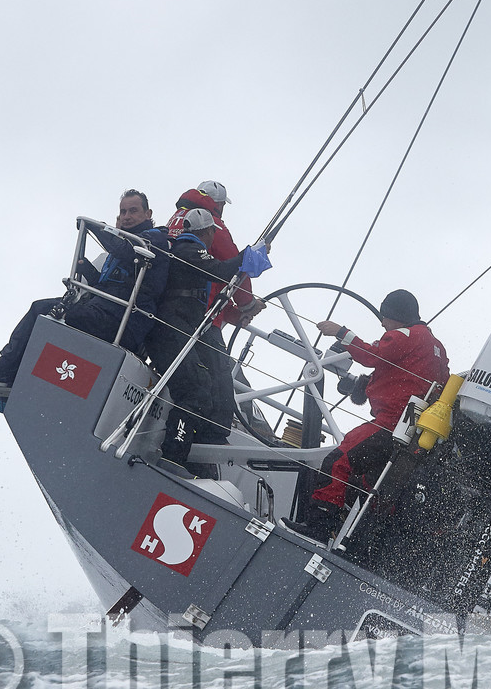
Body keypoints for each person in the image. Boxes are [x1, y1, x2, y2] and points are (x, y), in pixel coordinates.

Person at [0, 190, 167, 395]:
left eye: (133, 211)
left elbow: (127, 252)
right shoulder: (125, 245)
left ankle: (7, 370)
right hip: (106, 313)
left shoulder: (154, 240)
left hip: (124, 321)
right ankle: (13, 373)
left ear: (148, 214)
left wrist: (99, 230)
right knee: (44, 310)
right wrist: (87, 270)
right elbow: (112, 286)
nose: (127, 217)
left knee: (53, 312)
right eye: (123, 212)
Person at [298, 289, 450, 540]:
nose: (382, 323)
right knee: (373, 482)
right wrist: (370, 384)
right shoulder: (437, 348)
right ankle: (363, 539)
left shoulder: (404, 335)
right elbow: (423, 381)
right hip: (411, 429)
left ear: (397, 316)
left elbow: (371, 355)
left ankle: (319, 528)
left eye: (385, 317)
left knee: (338, 461)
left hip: (389, 422)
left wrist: (340, 332)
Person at [146, 208, 271, 466]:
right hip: (173, 329)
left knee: (201, 384)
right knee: (194, 388)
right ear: (207, 231)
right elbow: (219, 269)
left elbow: (211, 296)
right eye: (214, 232)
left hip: (177, 328)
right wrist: (251, 254)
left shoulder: (182, 249)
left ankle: (185, 448)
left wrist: (237, 315)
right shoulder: (190, 249)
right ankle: (175, 454)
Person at [167, 181, 263, 443]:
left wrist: (232, 314)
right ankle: (214, 436)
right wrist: (247, 306)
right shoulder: (214, 228)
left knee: (193, 373)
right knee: (219, 376)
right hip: (203, 316)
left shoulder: (176, 220)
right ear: (218, 204)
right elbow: (235, 267)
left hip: (178, 309)